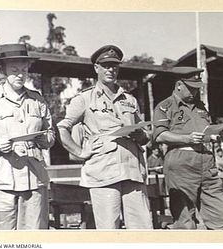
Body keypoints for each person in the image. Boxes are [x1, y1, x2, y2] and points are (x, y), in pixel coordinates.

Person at [57, 45, 152, 229]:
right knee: (108, 229)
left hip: (133, 170)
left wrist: (141, 134)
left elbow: (146, 135)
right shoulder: (84, 99)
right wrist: (80, 152)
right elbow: (62, 127)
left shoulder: (130, 99)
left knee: (142, 229)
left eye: (114, 66)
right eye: (106, 66)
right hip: (104, 172)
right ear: (96, 68)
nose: (111, 70)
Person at [0, 44, 55, 230]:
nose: (20, 74)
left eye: (24, 70)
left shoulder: (37, 100)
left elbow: (50, 133)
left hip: (33, 180)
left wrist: (46, 140)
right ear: (2, 70)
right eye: (14, 70)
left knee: (34, 237)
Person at [153, 66, 223, 230]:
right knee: (185, 222)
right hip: (182, 164)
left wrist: (217, 135)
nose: (195, 92)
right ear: (178, 85)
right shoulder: (165, 106)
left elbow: (206, 131)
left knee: (222, 219)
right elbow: (160, 135)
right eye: (191, 88)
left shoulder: (201, 107)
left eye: (197, 89)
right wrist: (186, 138)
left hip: (206, 163)